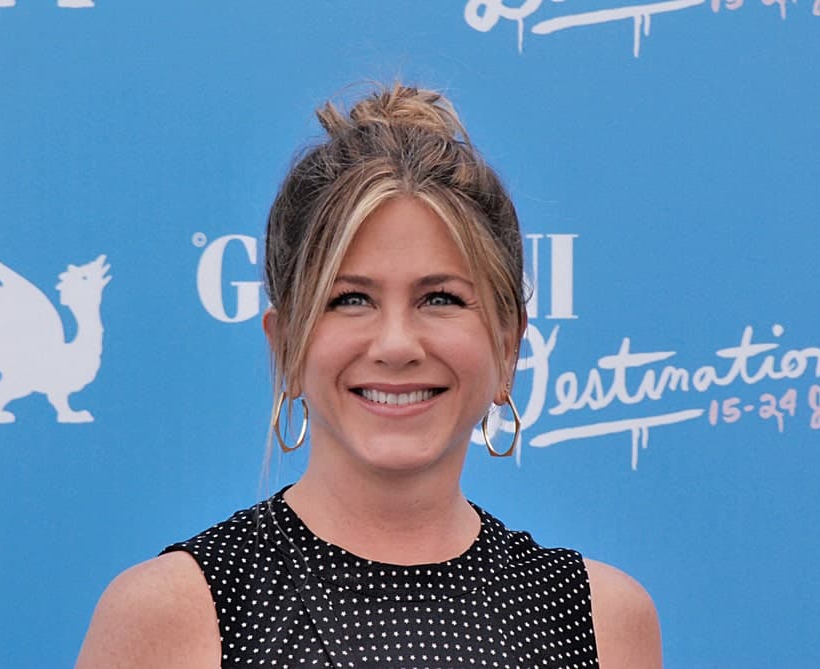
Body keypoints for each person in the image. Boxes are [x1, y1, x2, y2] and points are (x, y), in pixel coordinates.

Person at [76, 83, 662, 668]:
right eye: (350, 300)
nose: (396, 345)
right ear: (286, 346)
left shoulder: (599, 618)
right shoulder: (174, 612)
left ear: (508, 346)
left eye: (441, 299)